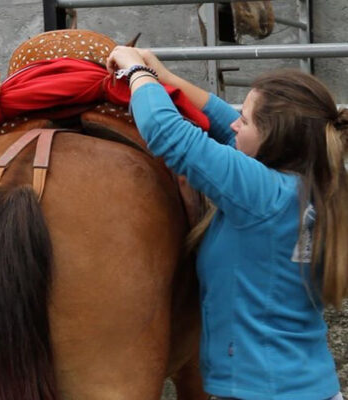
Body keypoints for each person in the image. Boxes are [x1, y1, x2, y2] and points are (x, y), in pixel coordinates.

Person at [107, 46, 347, 400]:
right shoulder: (315, 185)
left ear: (276, 138)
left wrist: (135, 72)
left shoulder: (262, 194)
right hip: (305, 386)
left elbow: (166, 132)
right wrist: (166, 77)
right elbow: (221, 120)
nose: (235, 122)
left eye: (246, 120)